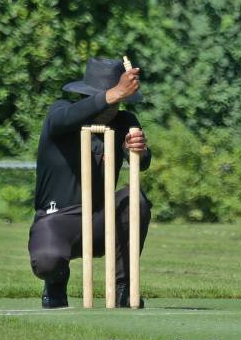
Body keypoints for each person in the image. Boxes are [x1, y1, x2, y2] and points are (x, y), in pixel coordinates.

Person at [28, 57, 152, 309]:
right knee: (47, 261)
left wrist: (138, 150)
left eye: (118, 102)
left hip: (101, 220)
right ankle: (56, 281)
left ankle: (123, 288)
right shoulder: (61, 111)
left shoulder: (124, 122)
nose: (111, 108)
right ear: (86, 95)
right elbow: (61, 120)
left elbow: (143, 162)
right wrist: (113, 93)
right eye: (109, 99)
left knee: (135, 200)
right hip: (58, 219)